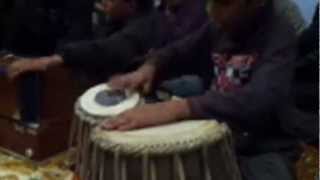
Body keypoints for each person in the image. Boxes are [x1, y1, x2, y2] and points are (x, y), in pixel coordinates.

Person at [102, 0, 300, 179]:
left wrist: (177, 109)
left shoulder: (280, 35)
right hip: (217, 134)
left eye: (224, 3)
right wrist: (150, 67)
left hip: (263, 147)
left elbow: (259, 99)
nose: (211, 12)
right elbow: (179, 51)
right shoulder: (219, 27)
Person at [6, 0, 207, 82]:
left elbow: (109, 49)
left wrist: (52, 60)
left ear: (131, 4)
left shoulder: (147, 24)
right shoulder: (113, 20)